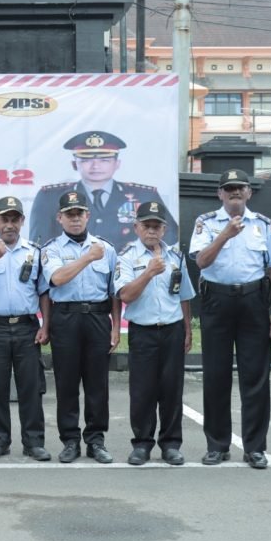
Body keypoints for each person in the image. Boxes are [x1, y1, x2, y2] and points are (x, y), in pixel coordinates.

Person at [189, 169, 271, 469]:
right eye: (228, 188)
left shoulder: (263, 225)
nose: (234, 193)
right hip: (217, 301)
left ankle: (255, 447)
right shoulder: (205, 223)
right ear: (219, 194)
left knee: (255, 377)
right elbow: (201, 261)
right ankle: (217, 445)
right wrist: (224, 235)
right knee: (216, 375)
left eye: (239, 188)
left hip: (253, 301)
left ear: (249, 193)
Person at [41, 190, 120, 464]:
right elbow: (58, 279)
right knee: (67, 383)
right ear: (60, 218)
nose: (75, 219)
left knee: (98, 384)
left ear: (88, 216)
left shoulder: (106, 248)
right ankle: (70, 440)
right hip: (66, 319)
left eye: (79, 214)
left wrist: (116, 328)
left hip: (98, 318)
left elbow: (114, 292)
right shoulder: (51, 249)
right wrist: (87, 257)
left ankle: (96, 440)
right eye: (69, 214)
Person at [0, 196, 50, 461]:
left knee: (31, 388)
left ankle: (34, 442)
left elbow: (44, 292)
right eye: (4, 219)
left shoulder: (34, 252)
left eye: (15, 219)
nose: (10, 225)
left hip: (27, 328)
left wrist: (46, 325)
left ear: (22, 221)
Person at [114, 200, 195, 466]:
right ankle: (142, 444)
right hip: (143, 332)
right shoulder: (127, 257)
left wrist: (187, 329)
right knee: (143, 391)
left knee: (172, 390)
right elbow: (125, 294)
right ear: (136, 227)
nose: (151, 231)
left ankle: (171, 444)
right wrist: (148, 273)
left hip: (172, 330)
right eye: (146, 226)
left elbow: (184, 295)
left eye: (156, 226)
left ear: (164, 229)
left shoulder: (176, 256)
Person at [30, 130, 178, 250]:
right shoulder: (49, 197)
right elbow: (39, 241)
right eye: (86, 160)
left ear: (117, 163)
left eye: (104, 160)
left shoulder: (144, 195)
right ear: (74, 164)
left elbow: (169, 235)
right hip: (73, 273)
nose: (95, 166)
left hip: (130, 276)